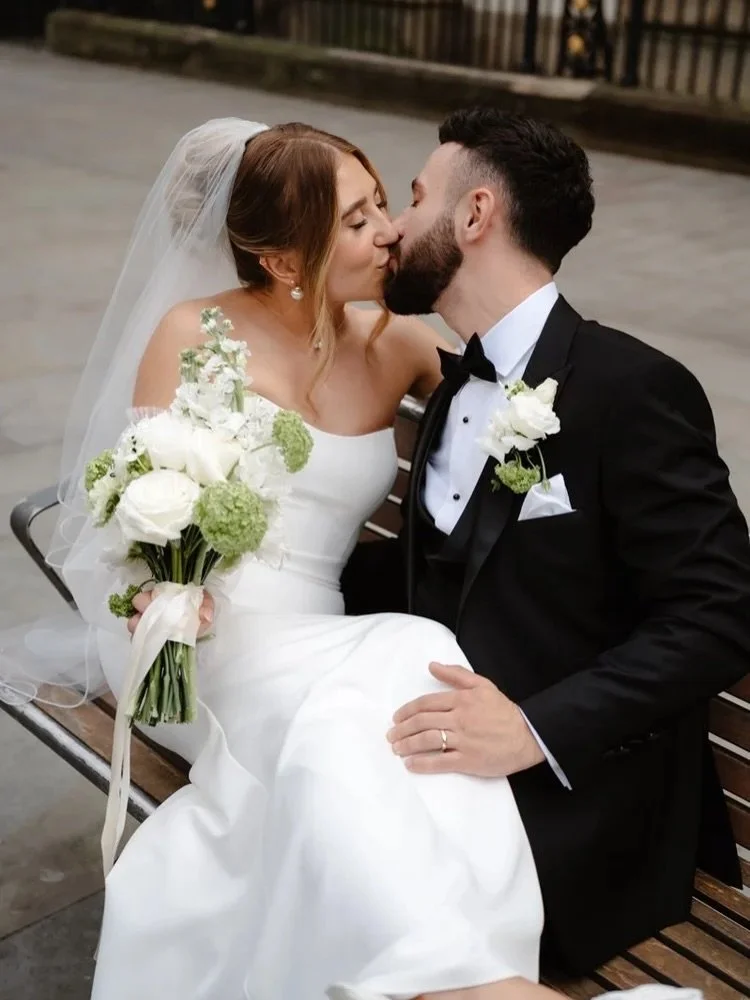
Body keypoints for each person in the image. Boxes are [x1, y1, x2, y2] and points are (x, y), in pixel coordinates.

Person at [17, 118, 698, 1000]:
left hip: (319, 638)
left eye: (385, 203)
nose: (388, 230)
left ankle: (455, 974)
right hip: (199, 635)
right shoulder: (194, 334)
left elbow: (516, 398)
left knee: (395, 688)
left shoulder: (401, 346)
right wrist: (167, 592)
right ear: (283, 259)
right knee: (384, 675)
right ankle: (484, 988)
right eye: (356, 218)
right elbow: (138, 505)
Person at [343, 107, 750, 977]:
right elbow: (436, 569)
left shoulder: (633, 390)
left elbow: (721, 615)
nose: (395, 228)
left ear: (476, 214)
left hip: (578, 803)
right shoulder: (460, 384)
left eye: (413, 198)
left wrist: (535, 728)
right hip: (441, 758)